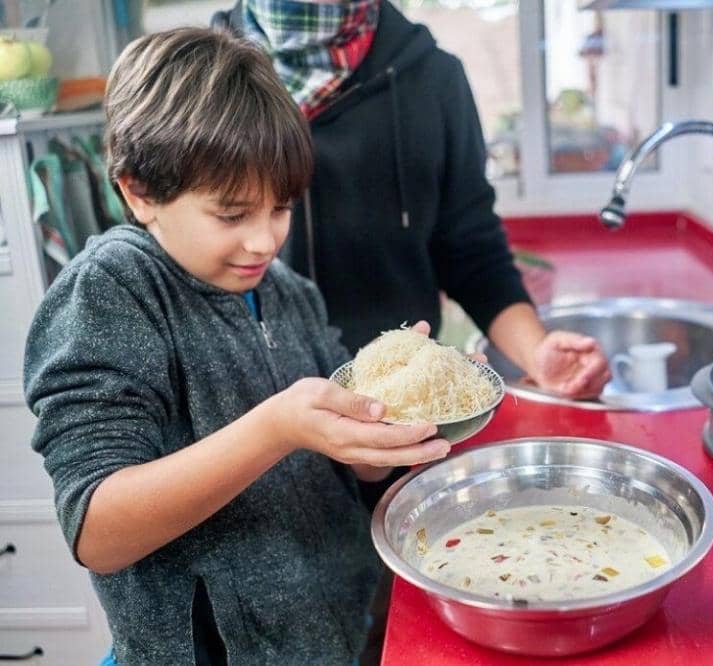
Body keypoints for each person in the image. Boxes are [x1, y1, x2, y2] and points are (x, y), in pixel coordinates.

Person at [23, 27, 449, 665]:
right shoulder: (112, 290)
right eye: (231, 215)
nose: (264, 241)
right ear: (138, 191)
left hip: (331, 635)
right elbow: (98, 531)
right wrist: (277, 428)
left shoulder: (288, 291)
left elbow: (344, 469)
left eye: (280, 207)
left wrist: (382, 426)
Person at [212, 0, 610, 400]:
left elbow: (473, 254)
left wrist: (537, 351)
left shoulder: (435, 78)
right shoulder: (197, 87)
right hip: (244, 419)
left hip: (401, 410)